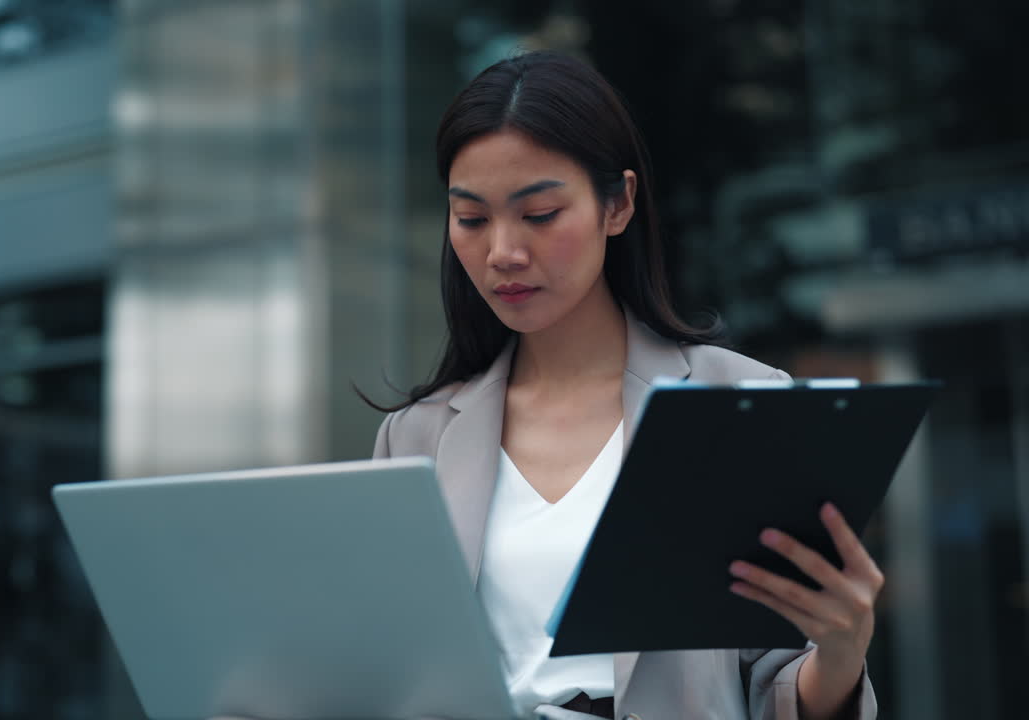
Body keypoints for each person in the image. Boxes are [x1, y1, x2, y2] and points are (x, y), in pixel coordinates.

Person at [369, 51, 881, 720]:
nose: (502, 252)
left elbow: (777, 688)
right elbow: (381, 673)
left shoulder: (740, 404)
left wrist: (841, 654)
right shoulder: (418, 436)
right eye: (470, 218)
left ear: (619, 204)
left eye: (541, 213)